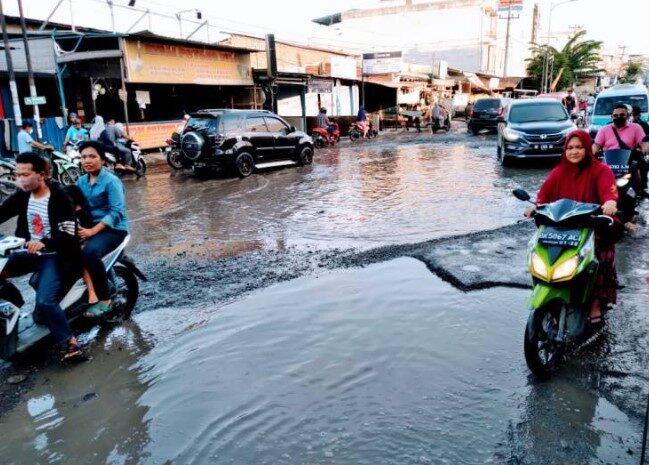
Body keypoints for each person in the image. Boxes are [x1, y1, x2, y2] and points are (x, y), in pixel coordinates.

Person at [524, 130, 619, 326]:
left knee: (599, 259)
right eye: (570, 148)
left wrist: (610, 203)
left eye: (579, 147)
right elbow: (544, 195)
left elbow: (609, 192)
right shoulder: (559, 171)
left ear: (587, 148)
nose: (574, 152)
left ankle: (595, 302)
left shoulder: (601, 170)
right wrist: (535, 206)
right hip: (561, 228)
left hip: (591, 227)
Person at [0, 152, 82, 361]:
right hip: (28, 252)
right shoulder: (23, 195)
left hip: (54, 255)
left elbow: (67, 234)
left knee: (45, 301)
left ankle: (70, 342)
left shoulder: (60, 198)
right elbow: (2, 212)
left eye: (25, 174)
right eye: (18, 175)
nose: (20, 180)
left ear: (42, 174)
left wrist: (44, 242)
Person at [76, 141, 129, 318]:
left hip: (113, 230)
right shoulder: (81, 181)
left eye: (92, 156)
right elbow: (74, 205)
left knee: (89, 253)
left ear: (103, 160)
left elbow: (116, 213)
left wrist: (91, 232)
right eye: (84, 157)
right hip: (89, 228)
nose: (87, 161)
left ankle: (105, 299)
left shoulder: (111, 181)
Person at [592, 103, 649, 197]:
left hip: (629, 160)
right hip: (609, 161)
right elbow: (596, 145)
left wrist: (645, 149)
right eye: (615, 115)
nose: (618, 117)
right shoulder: (604, 129)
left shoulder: (636, 128)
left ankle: (640, 189)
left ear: (628, 116)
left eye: (622, 115)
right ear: (611, 117)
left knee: (643, 165)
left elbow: (643, 143)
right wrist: (593, 151)